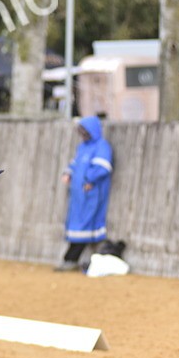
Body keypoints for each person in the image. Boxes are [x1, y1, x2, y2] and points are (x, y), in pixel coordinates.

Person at [57, 115, 114, 271]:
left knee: (86, 223)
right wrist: (68, 173)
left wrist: (90, 180)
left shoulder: (102, 146)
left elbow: (103, 168)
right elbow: (75, 164)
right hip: (77, 195)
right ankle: (70, 258)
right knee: (76, 222)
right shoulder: (82, 147)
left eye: (84, 131)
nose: (82, 134)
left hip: (91, 194)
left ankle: (72, 258)